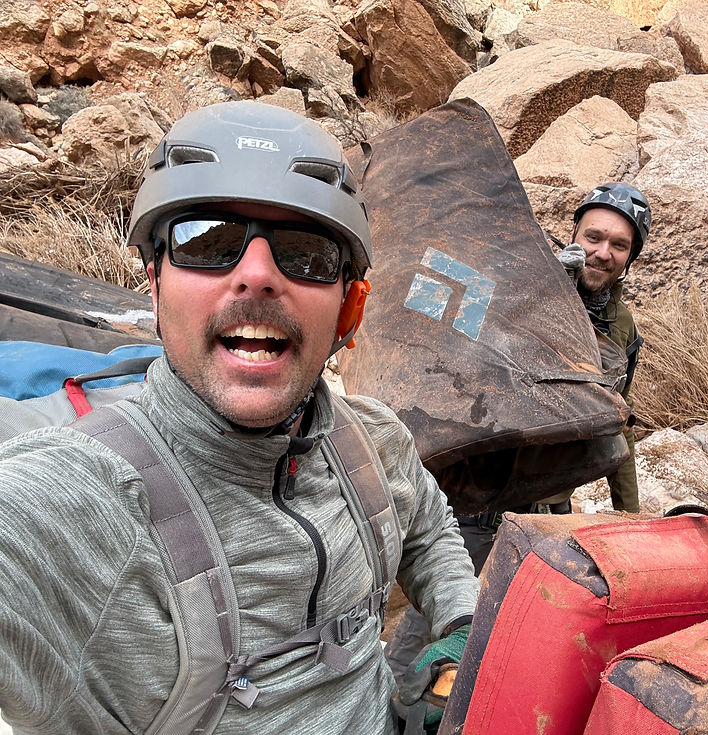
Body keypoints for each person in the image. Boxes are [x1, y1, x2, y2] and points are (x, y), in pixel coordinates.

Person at [0, 101, 479, 734]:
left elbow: (429, 528)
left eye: (306, 254)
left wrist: (461, 626)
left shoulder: (375, 440)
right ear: (154, 283)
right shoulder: (82, 500)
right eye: (208, 240)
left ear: (347, 305)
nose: (256, 275)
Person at [555, 183, 652, 513]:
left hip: (550, 506)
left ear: (630, 258)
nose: (603, 252)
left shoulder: (621, 325)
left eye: (620, 245)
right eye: (593, 238)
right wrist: (545, 284)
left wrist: (631, 515)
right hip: (475, 508)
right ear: (573, 235)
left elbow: (620, 417)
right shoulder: (519, 283)